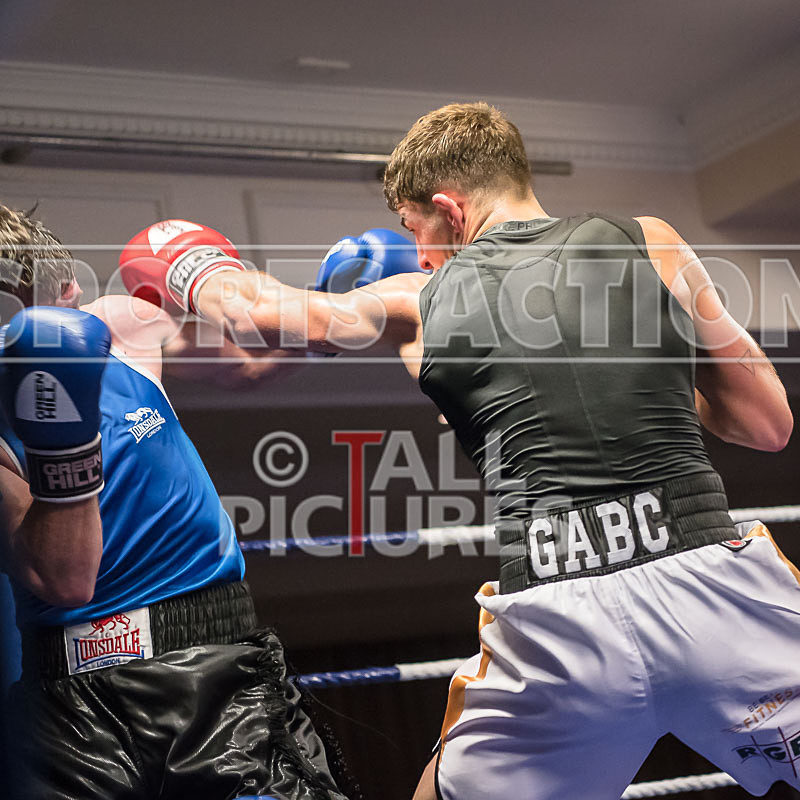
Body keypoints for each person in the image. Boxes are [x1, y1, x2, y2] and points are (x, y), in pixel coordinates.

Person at [120, 103, 800, 800]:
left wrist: (188, 263)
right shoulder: (651, 241)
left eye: (417, 229)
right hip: (715, 585)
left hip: (560, 623)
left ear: (450, 207)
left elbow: (252, 321)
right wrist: (638, 369)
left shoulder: (421, 299)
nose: (416, 252)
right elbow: (767, 423)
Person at [0, 206, 349, 800]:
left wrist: (330, 307)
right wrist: (64, 430)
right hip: (70, 705)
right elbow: (64, 578)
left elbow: (249, 365)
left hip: (209, 666)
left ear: (69, 293)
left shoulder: (122, 326)